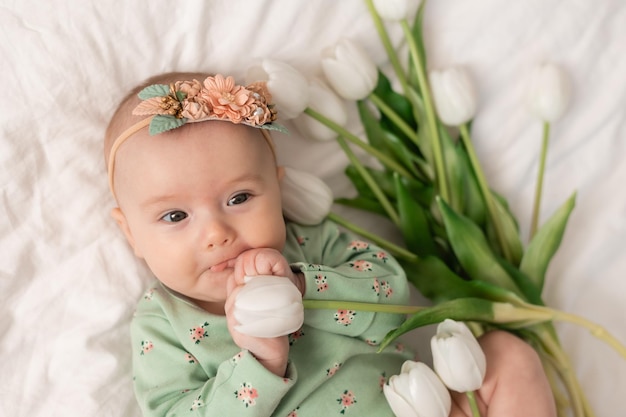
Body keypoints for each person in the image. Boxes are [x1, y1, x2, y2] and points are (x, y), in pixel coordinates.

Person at [104, 71, 556, 417]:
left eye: (239, 198)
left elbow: (395, 301)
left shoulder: (309, 246)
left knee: (506, 355)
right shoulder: (163, 323)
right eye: (175, 216)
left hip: (424, 406)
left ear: (278, 192)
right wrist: (261, 361)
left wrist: (303, 288)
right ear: (131, 234)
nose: (216, 233)